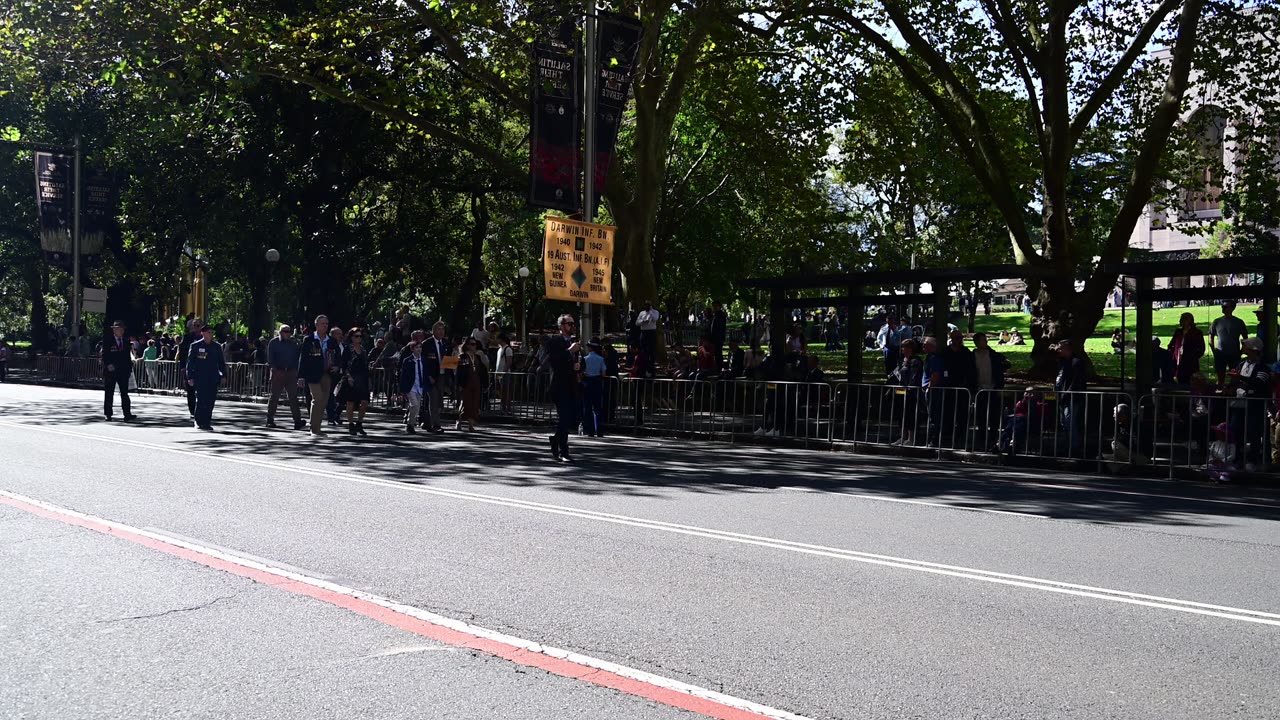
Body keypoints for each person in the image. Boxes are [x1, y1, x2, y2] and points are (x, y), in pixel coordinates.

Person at [1226, 337, 1271, 470]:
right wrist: (1229, 387)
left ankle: (1253, 460)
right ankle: (1237, 458)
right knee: (1235, 431)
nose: (1244, 349)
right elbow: (1235, 379)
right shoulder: (1241, 363)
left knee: (1253, 432)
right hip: (1238, 403)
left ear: (1254, 350)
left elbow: (1259, 383)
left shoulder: (1263, 367)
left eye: (1246, 347)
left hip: (1254, 405)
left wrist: (1239, 378)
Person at [545, 314, 581, 461]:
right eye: (569, 324)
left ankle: (556, 441)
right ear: (561, 326)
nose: (572, 326)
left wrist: (579, 366)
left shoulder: (572, 343)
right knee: (565, 416)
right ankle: (563, 451)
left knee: (570, 418)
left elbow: (574, 363)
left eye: (573, 324)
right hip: (559, 385)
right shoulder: (555, 341)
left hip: (571, 384)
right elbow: (554, 360)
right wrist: (569, 351)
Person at [298, 315, 337, 437]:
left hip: (327, 374)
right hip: (313, 375)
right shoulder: (309, 340)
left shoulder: (331, 340)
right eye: (322, 323)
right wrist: (301, 376)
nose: (325, 326)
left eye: (326, 323)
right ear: (316, 325)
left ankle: (317, 426)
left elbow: (338, 356)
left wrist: (337, 366)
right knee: (317, 398)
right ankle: (314, 429)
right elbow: (303, 359)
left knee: (323, 401)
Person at [185, 325, 226, 430]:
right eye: (208, 332)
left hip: (213, 377)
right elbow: (190, 362)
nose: (210, 334)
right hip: (200, 377)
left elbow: (221, 362)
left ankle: (207, 422)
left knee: (210, 400)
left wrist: (224, 375)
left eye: (212, 332)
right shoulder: (195, 346)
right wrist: (190, 377)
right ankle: (199, 421)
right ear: (202, 333)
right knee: (201, 399)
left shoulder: (216, 346)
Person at [264, 325, 304, 429]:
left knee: (293, 398)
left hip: (291, 373)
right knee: (274, 397)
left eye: (289, 331)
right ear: (280, 332)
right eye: (285, 331)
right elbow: (270, 358)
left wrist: (297, 372)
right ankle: (270, 419)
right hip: (278, 372)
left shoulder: (294, 343)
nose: (288, 333)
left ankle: (297, 420)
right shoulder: (273, 342)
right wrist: (274, 370)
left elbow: (299, 356)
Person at [1053, 339, 1087, 456]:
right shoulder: (1062, 362)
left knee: (1070, 422)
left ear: (1067, 349)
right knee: (1064, 423)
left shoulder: (1076, 362)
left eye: (1060, 348)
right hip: (1063, 397)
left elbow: (1076, 382)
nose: (1058, 350)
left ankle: (1074, 447)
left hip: (1072, 398)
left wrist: (1066, 394)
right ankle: (1068, 445)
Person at [888, 338, 924, 446]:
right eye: (902, 347)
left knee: (910, 414)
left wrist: (910, 387)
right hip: (900, 390)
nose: (903, 349)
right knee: (900, 413)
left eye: (905, 347)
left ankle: (910, 438)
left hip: (910, 392)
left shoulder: (915, 361)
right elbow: (895, 373)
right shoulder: (901, 360)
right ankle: (902, 436)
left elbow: (914, 376)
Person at [101, 320, 136, 422]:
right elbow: (104, 355)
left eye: (122, 329)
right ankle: (108, 414)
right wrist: (108, 365)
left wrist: (129, 369)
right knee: (109, 393)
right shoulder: (108, 340)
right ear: (114, 330)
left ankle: (127, 414)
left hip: (123, 371)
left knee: (124, 393)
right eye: (118, 329)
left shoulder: (125, 341)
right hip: (111, 371)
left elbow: (127, 356)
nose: (121, 331)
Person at [340, 327, 372, 436]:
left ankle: (359, 422)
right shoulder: (348, 349)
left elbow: (366, 365)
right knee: (350, 402)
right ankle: (350, 424)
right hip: (351, 377)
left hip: (362, 378)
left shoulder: (363, 350)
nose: (358, 338)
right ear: (351, 337)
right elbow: (344, 365)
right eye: (356, 336)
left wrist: (369, 380)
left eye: (360, 336)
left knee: (364, 402)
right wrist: (348, 377)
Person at [1209, 300, 1248, 386]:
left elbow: (1245, 338)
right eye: (1222, 306)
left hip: (1234, 353)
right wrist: (1214, 350)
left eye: (1225, 306)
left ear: (1232, 308)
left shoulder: (1239, 322)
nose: (1223, 308)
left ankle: (1232, 392)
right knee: (1220, 375)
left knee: (1234, 376)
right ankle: (1219, 391)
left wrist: (1241, 351)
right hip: (1220, 353)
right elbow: (1210, 336)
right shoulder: (1216, 321)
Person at [423, 321, 450, 434]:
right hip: (432, 376)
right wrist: (429, 375)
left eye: (442, 329)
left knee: (439, 401)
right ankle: (436, 425)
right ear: (433, 331)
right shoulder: (427, 344)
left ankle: (427, 422)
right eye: (438, 329)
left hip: (442, 375)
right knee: (433, 400)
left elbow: (449, 359)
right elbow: (424, 362)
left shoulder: (445, 343)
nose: (441, 331)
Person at [397, 341, 428, 434]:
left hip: (420, 386)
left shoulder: (423, 360)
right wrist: (402, 389)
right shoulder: (408, 360)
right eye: (417, 347)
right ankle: (411, 424)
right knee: (414, 404)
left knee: (416, 406)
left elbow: (425, 373)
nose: (419, 349)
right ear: (412, 349)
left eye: (420, 347)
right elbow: (403, 375)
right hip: (411, 386)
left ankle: (410, 423)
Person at [455, 337, 484, 431]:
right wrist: (459, 384)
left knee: (475, 403)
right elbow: (460, 371)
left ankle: (471, 424)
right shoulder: (463, 356)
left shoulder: (477, 357)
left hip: (476, 382)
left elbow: (482, 371)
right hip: (466, 382)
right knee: (465, 403)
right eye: (472, 344)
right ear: (467, 345)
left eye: (475, 344)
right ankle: (459, 420)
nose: (474, 346)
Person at [1170, 312, 1205, 385]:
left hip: (1191, 363)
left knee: (1192, 382)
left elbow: (1201, 348)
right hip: (1178, 361)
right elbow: (1172, 344)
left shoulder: (1197, 333)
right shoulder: (1178, 332)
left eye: (1182, 319)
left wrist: (1193, 356)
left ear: (1188, 320)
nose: (1179, 321)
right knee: (1180, 382)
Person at [581, 340, 607, 437]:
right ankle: (599, 430)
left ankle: (590, 430)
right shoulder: (601, 359)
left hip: (587, 382)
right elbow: (604, 373)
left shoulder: (585, 359)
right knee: (597, 408)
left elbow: (581, 371)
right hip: (597, 382)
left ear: (590, 348)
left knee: (587, 407)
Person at [495, 333, 515, 413]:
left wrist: (504, 372)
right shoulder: (500, 349)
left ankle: (508, 408)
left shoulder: (508, 349)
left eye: (497, 339)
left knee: (506, 390)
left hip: (504, 373)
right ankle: (503, 407)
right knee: (500, 390)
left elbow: (509, 362)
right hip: (498, 373)